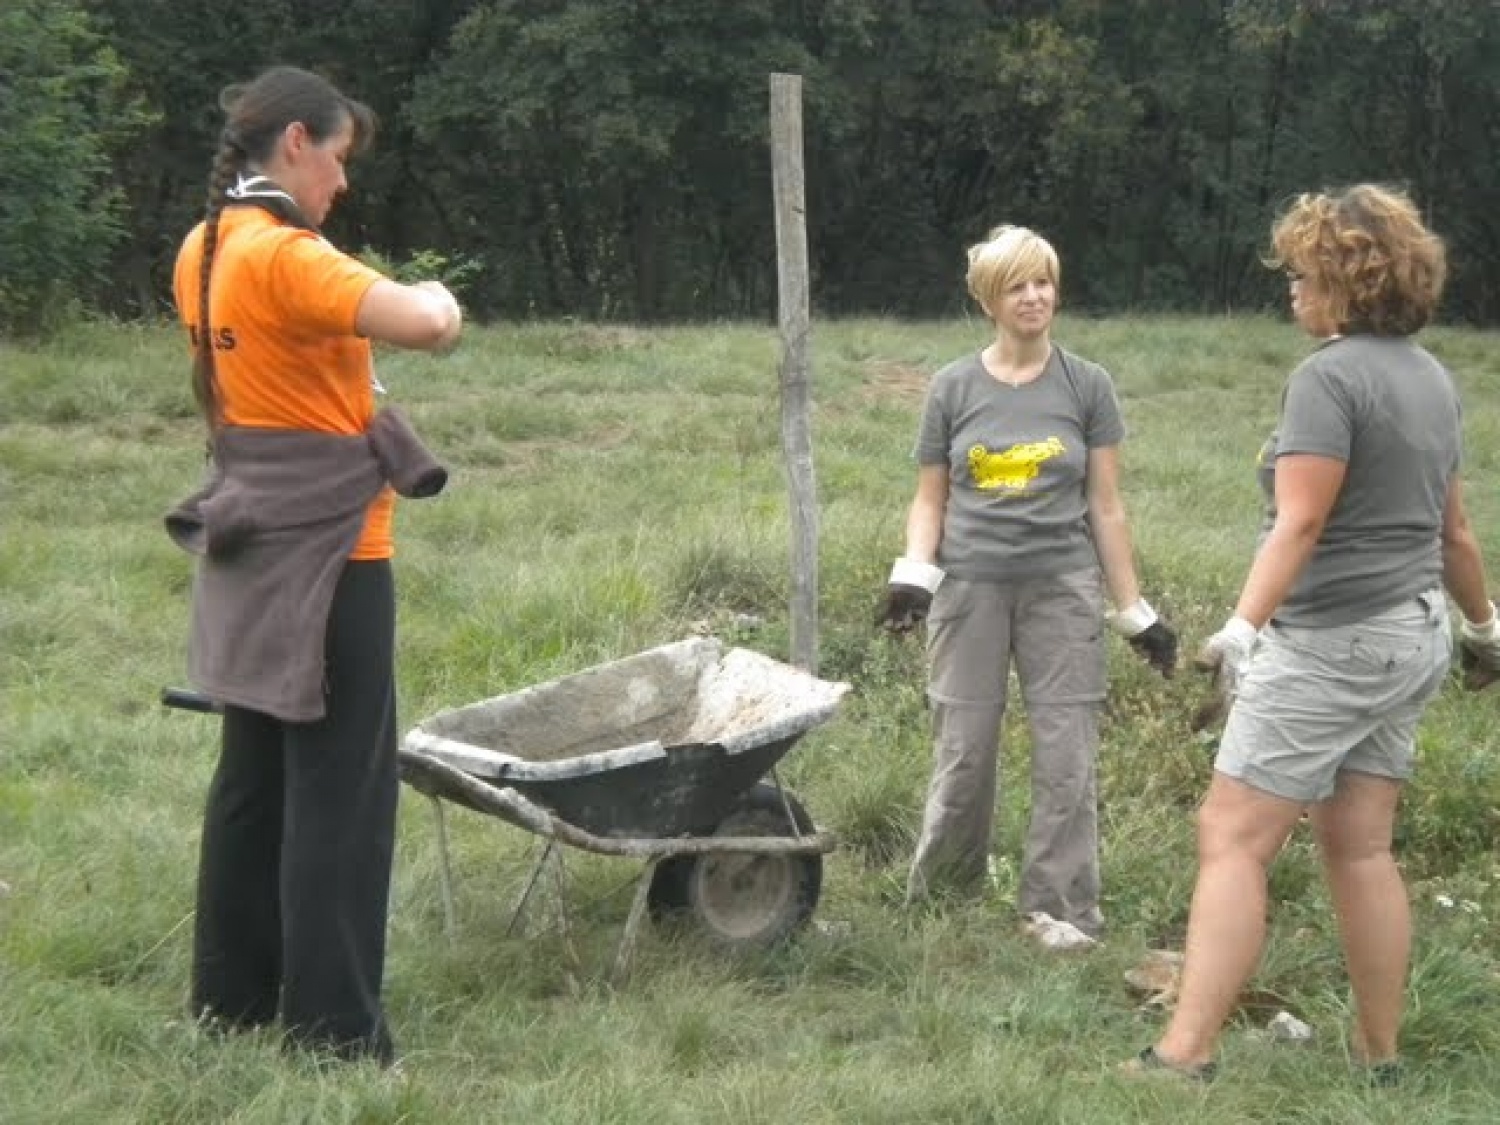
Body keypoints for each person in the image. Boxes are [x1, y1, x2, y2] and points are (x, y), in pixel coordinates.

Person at [1132, 184, 1500, 1083]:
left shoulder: (1328, 379)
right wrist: (1486, 625)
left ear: (1347, 280)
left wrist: (1239, 630)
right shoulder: (1431, 375)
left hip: (1331, 642)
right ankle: (1381, 1060)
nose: (1291, 289)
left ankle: (1183, 1057)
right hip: (1410, 633)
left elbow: (1298, 524)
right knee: (1362, 845)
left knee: (1230, 835)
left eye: (1303, 273)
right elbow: (1450, 530)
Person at [166, 65, 463, 1065]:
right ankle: (335, 1033)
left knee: (253, 774)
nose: (341, 183)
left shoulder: (203, 248)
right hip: (335, 553)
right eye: (337, 158)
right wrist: (439, 294)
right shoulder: (291, 257)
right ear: (295, 142)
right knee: (343, 788)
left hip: (248, 539)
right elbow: (423, 326)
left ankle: (231, 1000)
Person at [879, 224, 1177, 938]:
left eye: (1043, 281)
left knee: (1066, 751)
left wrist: (1133, 609)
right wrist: (915, 576)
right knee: (965, 747)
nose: (1035, 295)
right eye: (1018, 284)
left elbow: (1105, 504)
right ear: (990, 298)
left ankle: (1059, 906)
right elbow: (931, 496)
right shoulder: (953, 386)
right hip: (969, 590)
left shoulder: (1088, 385)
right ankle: (945, 898)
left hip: (1062, 590)